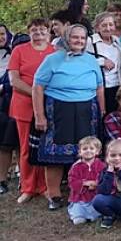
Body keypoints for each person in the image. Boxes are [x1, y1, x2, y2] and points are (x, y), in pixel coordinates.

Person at [33, 23, 105, 210]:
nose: (79, 41)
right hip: (59, 109)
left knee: (87, 151)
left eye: (82, 38)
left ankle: (84, 193)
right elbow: (37, 87)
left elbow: (99, 87)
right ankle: (54, 195)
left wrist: (102, 110)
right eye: (75, 37)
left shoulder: (91, 60)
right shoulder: (52, 59)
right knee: (54, 154)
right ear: (66, 38)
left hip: (87, 110)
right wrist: (39, 116)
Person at [8, 18, 56, 203]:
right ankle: (28, 187)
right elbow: (14, 80)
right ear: (29, 32)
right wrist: (36, 93)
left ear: (48, 32)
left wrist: (44, 97)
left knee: (45, 147)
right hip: (24, 105)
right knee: (26, 148)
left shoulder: (55, 51)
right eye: (34, 29)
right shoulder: (19, 50)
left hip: (48, 106)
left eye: (42, 29)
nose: (39, 32)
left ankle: (44, 186)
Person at [66, 136, 105, 225]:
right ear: (80, 152)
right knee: (78, 221)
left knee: (98, 211)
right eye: (85, 149)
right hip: (80, 199)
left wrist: (96, 184)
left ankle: (95, 214)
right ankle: (79, 214)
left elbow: (105, 179)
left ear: (97, 151)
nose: (88, 151)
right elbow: (72, 181)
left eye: (91, 148)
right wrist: (84, 183)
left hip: (95, 196)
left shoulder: (102, 165)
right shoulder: (76, 167)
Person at [91, 11, 121, 114]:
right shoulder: (90, 41)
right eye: (104, 25)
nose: (108, 28)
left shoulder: (116, 41)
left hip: (117, 86)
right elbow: (82, 61)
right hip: (100, 88)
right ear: (97, 27)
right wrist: (102, 62)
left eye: (111, 25)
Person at [0, 23, 17, 196]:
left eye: (2, 34)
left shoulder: (14, 53)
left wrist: (3, 88)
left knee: (10, 143)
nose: (1, 37)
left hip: (11, 104)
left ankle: (21, 177)